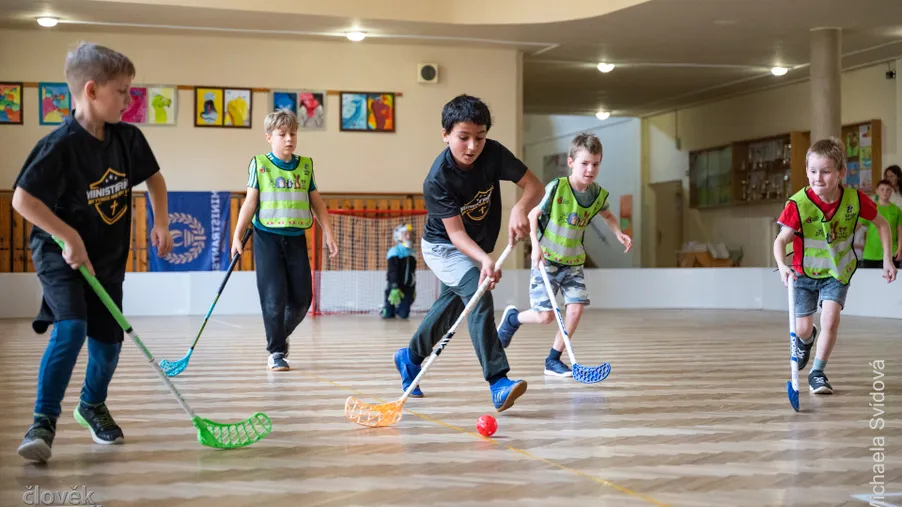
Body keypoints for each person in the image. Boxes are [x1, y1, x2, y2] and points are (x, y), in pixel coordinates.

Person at [13, 42, 174, 462]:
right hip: (60, 255)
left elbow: (154, 180)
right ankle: (42, 422)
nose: (129, 99)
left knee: (107, 345)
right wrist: (68, 236)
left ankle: (92, 404)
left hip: (106, 260)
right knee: (71, 328)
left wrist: (161, 222)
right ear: (91, 90)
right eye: (122, 91)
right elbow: (23, 200)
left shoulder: (128, 139)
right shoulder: (60, 145)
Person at [393, 94, 543, 411]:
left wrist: (520, 208)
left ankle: (409, 357)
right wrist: (484, 261)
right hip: (444, 248)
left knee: (451, 308)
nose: (472, 147)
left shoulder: (493, 154)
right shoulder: (438, 179)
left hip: (476, 247)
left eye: (480, 137)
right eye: (463, 138)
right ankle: (498, 381)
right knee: (478, 290)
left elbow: (535, 186)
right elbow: (456, 233)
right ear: (446, 134)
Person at [495, 132, 632, 377]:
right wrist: (535, 247)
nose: (590, 169)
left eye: (596, 164)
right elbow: (533, 215)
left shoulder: (597, 195)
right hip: (546, 260)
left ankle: (553, 359)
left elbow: (608, 216)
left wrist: (618, 233)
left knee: (576, 309)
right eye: (585, 163)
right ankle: (513, 319)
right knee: (545, 316)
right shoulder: (557, 188)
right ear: (571, 162)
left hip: (573, 263)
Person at [773, 138, 897, 395]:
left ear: (841, 173)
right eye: (812, 171)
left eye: (826, 171)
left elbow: (882, 224)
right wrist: (781, 266)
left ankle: (818, 372)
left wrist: (887, 259)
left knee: (831, 320)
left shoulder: (854, 199)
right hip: (803, 274)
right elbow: (781, 240)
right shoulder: (798, 203)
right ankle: (806, 340)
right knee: (805, 329)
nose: (818, 178)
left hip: (837, 273)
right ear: (806, 171)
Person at [231, 109, 337, 372]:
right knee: (273, 298)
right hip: (267, 237)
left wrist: (329, 233)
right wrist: (236, 235)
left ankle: (279, 335)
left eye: (293, 134)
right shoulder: (260, 164)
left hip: (296, 238)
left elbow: (318, 204)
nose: (289, 139)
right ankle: (276, 351)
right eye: (282, 134)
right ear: (269, 137)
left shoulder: (306, 165)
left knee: (302, 300)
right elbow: (249, 204)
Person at [860, 179, 902, 269]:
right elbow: (856, 225)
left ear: (891, 191)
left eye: (888, 189)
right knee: (871, 282)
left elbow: (900, 231)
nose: (885, 192)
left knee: (891, 280)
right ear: (877, 191)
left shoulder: (897, 210)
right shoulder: (870, 208)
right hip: (871, 254)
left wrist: (900, 248)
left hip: (891, 253)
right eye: (882, 189)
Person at [381, 223, 417, 319]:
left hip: (408, 287)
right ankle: (385, 309)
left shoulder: (413, 253)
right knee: (388, 315)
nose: (409, 236)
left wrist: (413, 287)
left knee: (404, 315)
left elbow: (412, 273)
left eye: (410, 234)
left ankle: (400, 310)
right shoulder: (394, 251)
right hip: (395, 285)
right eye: (405, 234)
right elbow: (392, 271)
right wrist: (394, 286)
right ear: (398, 236)